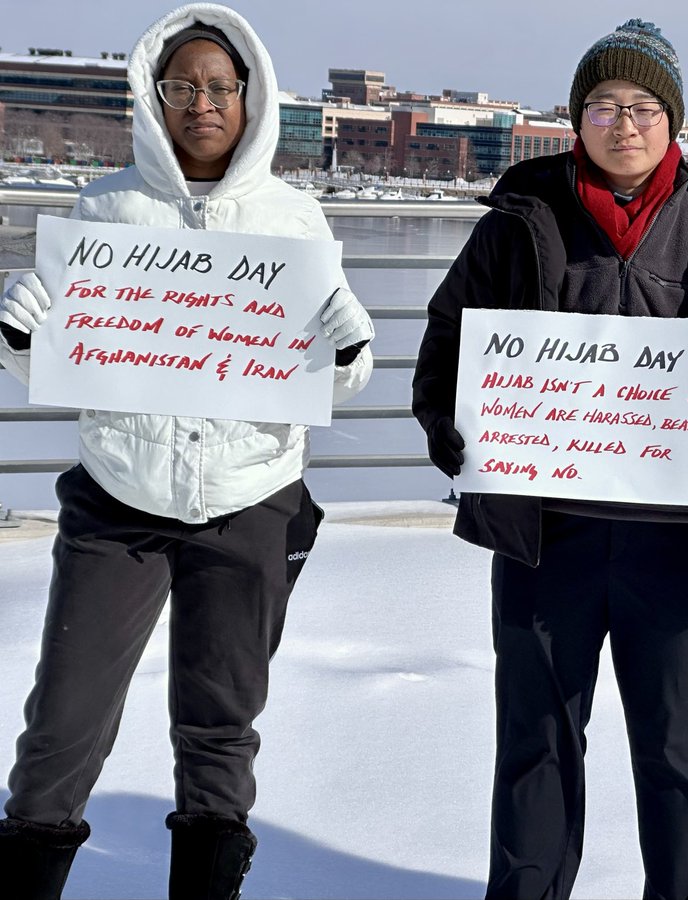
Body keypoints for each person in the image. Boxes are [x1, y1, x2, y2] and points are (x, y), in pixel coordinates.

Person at [412, 19, 688, 900]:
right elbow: (449, 346)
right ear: (575, 119)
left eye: (642, 107)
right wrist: (450, 425)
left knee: (680, 755)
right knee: (536, 747)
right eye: (602, 105)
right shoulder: (519, 223)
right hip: (544, 538)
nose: (623, 124)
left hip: (686, 545)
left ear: (673, 122)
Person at [0, 4, 374, 897]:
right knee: (64, 717)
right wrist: (19, 335)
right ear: (153, 99)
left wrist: (350, 350)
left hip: (250, 498)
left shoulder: (296, 220)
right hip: (118, 497)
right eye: (180, 87)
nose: (200, 103)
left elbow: (333, 382)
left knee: (220, 721)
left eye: (218, 86)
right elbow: (62, 361)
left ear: (250, 98)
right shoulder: (104, 209)